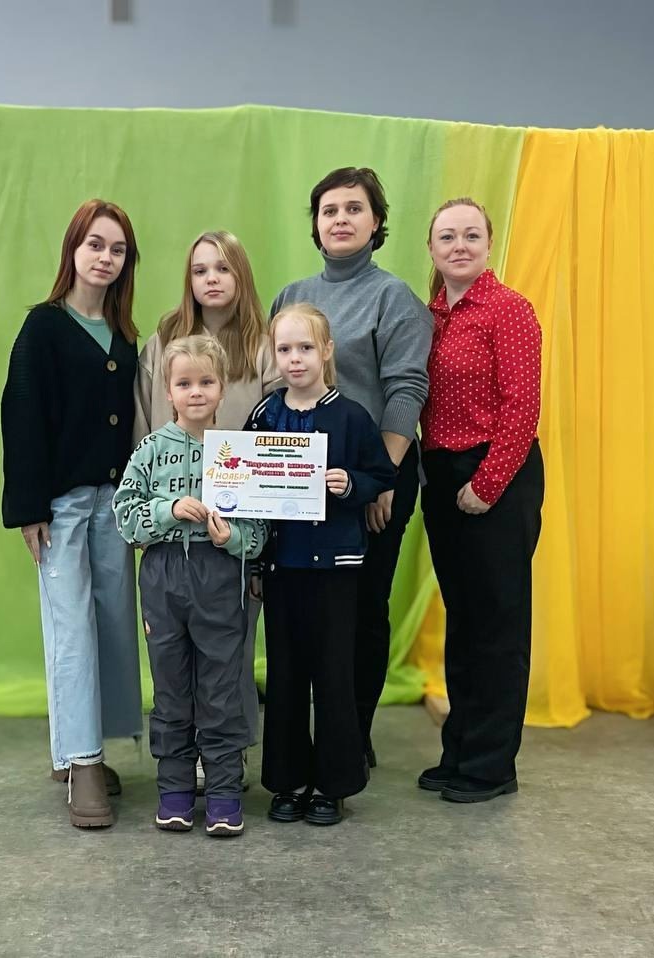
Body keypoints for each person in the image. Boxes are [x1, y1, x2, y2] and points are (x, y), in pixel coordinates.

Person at [270, 167, 432, 767]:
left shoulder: (395, 299)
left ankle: (351, 740)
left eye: (354, 208)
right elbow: (275, 387)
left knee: (360, 609)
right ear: (316, 224)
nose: (340, 219)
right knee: (302, 613)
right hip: (296, 481)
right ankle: (299, 744)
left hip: (371, 477)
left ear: (376, 221)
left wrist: (380, 480)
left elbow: (407, 390)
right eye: (329, 210)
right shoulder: (292, 296)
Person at [0, 199, 144, 829]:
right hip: (61, 506)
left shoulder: (126, 337)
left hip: (115, 502)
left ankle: (86, 745)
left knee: (113, 621)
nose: (105, 258)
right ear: (73, 250)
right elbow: (21, 415)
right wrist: (29, 506)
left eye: (117, 249)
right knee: (71, 627)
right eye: (95, 245)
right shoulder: (44, 327)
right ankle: (81, 763)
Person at [134, 231, 281, 779]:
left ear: (241, 274)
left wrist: (255, 541)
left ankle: (225, 755)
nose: (211, 279)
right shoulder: (163, 341)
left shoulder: (264, 345)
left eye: (222, 268)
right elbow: (143, 430)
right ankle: (181, 758)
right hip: (173, 533)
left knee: (229, 652)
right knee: (175, 658)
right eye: (200, 270)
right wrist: (153, 513)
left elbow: (277, 438)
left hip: (235, 532)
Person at [246, 304, 395, 826]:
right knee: (286, 677)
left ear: (327, 351)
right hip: (282, 568)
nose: (295, 359)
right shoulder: (264, 416)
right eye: (284, 349)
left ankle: (333, 785)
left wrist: (351, 484)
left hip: (335, 568)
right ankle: (286, 782)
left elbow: (382, 474)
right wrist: (255, 564)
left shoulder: (351, 416)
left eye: (305, 348)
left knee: (334, 675)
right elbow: (247, 489)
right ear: (274, 355)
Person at [417, 197, 544, 804]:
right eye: (448, 236)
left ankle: (492, 766)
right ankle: (460, 751)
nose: (459, 245)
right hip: (443, 475)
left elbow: (523, 406)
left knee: (498, 624)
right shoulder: (432, 317)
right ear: (432, 248)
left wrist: (487, 485)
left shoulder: (509, 310)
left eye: (471, 235)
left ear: (489, 244)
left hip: (497, 472)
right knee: (464, 620)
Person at [114, 335, 267, 837]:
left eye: (206, 382)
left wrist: (231, 538)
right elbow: (125, 516)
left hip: (220, 578)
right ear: (168, 391)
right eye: (184, 383)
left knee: (221, 688)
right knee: (172, 689)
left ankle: (223, 794)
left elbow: (259, 532)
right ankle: (175, 791)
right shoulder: (150, 451)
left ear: (222, 388)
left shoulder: (237, 453)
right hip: (163, 578)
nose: (195, 392)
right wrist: (168, 510)